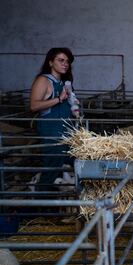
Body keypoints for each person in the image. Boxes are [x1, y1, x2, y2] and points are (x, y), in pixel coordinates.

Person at [30, 47, 75, 191]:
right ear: (50, 62)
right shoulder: (43, 80)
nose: (65, 64)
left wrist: (75, 107)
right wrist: (58, 99)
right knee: (52, 167)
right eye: (60, 60)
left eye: (67, 61)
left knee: (67, 165)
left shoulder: (64, 83)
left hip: (66, 131)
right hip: (52, 131)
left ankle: (53, 204)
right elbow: (34, 105)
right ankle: (34, 207)